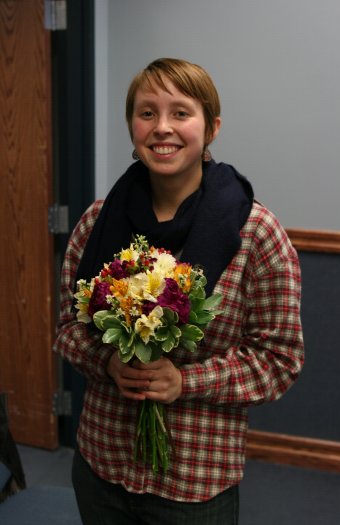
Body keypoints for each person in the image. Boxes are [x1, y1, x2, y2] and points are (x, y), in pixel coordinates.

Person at [53, 58, 304, 525]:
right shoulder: (96, 222)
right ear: (132, 126)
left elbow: (280, 359)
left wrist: (185, 381)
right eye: (147, 113)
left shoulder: (256, 233)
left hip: (195, 481)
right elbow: (68, 328)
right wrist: (106, 362)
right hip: (101, 463)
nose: (161, 127)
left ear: (211, 127)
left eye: (181, 113)